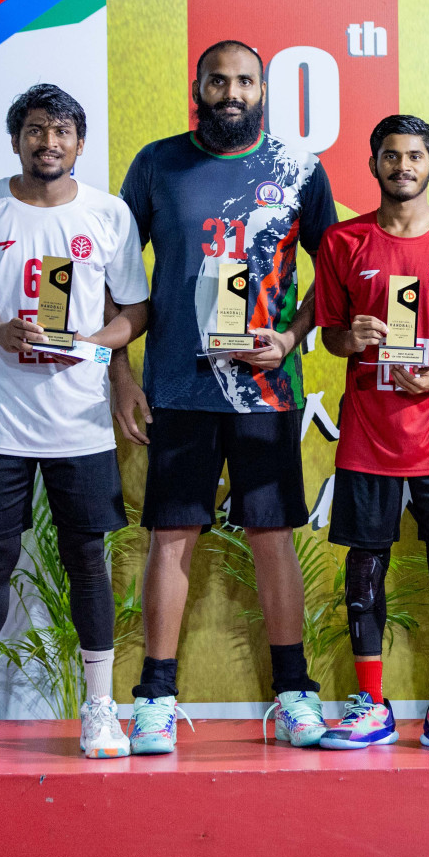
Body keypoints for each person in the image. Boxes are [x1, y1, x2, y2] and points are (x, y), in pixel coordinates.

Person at [113, 40, 337, 753]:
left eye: (244, 80)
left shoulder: (300, 170)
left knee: (272, 538)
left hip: (266, 392)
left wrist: (292, 338)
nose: (231, 91)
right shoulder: (156, 164)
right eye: (219, 80)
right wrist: (118, 371)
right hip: (177, 387)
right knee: (170, 537)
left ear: (263, 90)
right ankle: (155, 696)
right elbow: (117, 281)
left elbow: (334, 275)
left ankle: (295, 693)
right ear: (198, 87)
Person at [0, 84, 148, 760]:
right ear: (16, 138)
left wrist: (90, 344)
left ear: (79, 143)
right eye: (34, 130)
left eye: (61, 132)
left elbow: (135, 311)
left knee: (88, 561)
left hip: (78, 426)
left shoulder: (108, 214)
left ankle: (101, 712)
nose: (47, 142)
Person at [313, 115, 429, 752]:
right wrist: (350, 338)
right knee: (363, 574)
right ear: (373, 164)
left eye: (415, 156)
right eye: (390, 156)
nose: (403, 167)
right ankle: (372, 705)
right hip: (368, 434)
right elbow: (331, 333)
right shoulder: (342, 243)